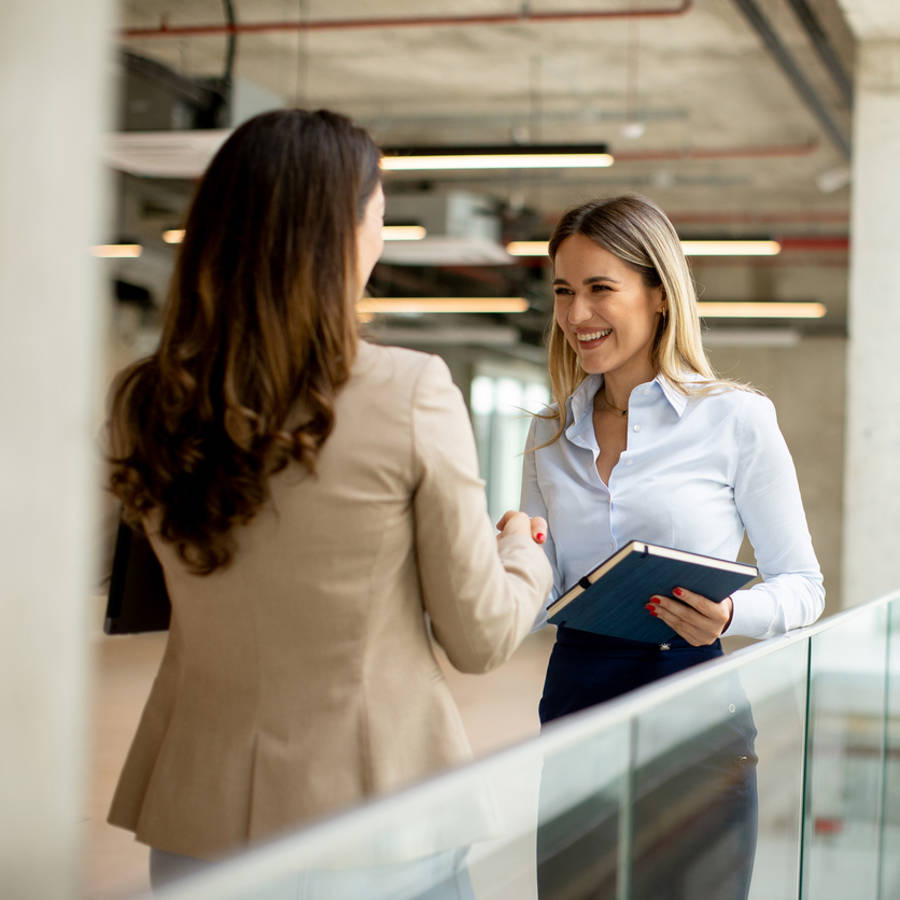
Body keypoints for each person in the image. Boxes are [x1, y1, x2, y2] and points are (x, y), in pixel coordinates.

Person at [105, 108, 552, 895]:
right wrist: (522, 549)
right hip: (375, 820)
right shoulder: (411, 390)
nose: (382, 233)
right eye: (379, 211)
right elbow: (479, 639)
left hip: (194, 817)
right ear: (343, 231)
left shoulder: (147, 399)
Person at [520, 194, 824, 899]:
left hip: (692, 698)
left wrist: (731, 617)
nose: (575, 315)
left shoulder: (735, 419)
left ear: (659, 293)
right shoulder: (547, 436)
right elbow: (534, 593)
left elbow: (803, 586)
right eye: (564, 291)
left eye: (601, 288)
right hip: (576, 699)